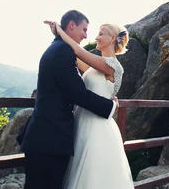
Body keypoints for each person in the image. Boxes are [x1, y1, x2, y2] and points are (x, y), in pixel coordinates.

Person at [19, 10, 118, 189]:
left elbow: (80, 58)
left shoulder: (58, 48)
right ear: (71, 25)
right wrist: (110, 106)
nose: (87, 35)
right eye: (84, 29)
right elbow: (78, 93)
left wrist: (60, 33)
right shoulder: (63, 51)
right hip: (50, 139)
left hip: (48, 137)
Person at [45, 19, 134, 189]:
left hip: (96, 127)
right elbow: (73, 53)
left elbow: (78, 50)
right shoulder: (95, 66)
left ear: (112, 37)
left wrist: (60, 31)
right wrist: (57, 37)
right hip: (81, 124)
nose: (97, 37)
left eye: (101, 34)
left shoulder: (113, 66)